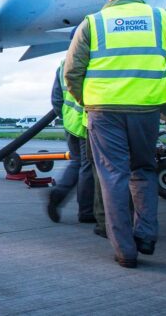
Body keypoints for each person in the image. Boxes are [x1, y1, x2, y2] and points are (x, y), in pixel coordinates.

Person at [64, 0, 166, 268]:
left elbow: (72, 71)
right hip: (146, 108)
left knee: (112, 177)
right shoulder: (159, 18)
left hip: (104, 110)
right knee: (144, 170)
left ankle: (125, 250)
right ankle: (146, 235)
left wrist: (87, 101)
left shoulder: (93, 22)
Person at [46, 29, 95, 224]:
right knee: (87, 166)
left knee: (76, 162)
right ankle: (86, 211)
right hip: (86, 121)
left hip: (70, 123)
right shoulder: (90, 60)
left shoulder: (63, 63)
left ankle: (59, 192)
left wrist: (66, 118)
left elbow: (56, 99)